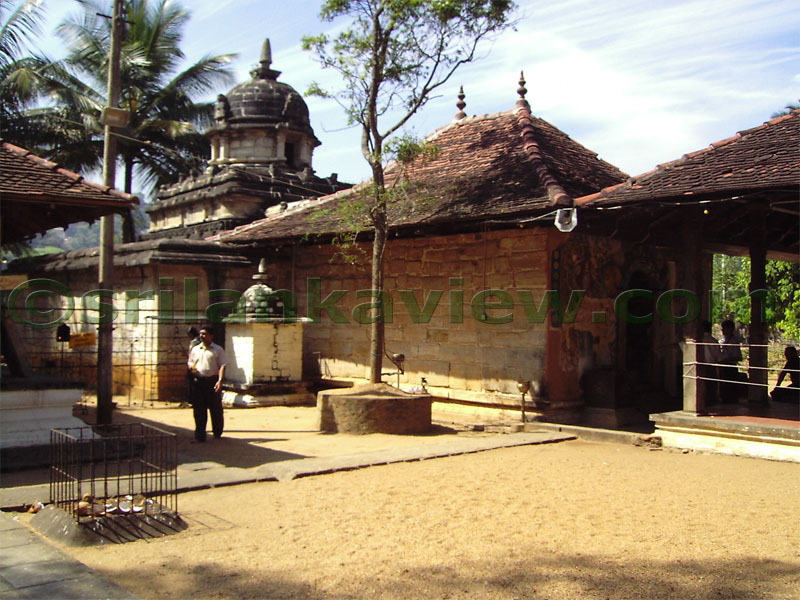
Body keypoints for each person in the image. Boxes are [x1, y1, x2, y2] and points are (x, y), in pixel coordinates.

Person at [187, 325, 227, 442]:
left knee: (215, 409)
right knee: (199, 409)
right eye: (201, 334)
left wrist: (220, 381)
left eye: (204, 334)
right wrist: (192, 369)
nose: (202, 336)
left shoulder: (218, 350)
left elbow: (223, 365)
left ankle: (217, 432)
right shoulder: (195, 349)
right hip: (198, 382)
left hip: (212, 382)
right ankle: (200, 435)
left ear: (211, 336)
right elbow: (190, 363)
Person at [718, 320, 744, 404]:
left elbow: (739, 357)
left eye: (724, 329)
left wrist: (728, 358)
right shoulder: (722, 341)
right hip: (723, 367)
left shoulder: (734, 342)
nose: (723, 331)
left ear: (730, 329)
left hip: (730, 367)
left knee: (731, 389)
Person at [700, 320, 721, 405]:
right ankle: (711, 403)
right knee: (711, 387)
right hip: (711, 366)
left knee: (702, 387)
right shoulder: (714, 341)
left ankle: (702, 403)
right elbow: (718, 356)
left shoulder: (698, 340)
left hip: (701, 366)